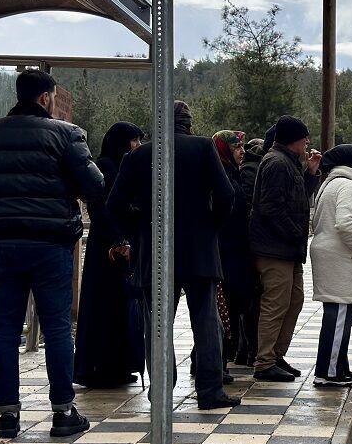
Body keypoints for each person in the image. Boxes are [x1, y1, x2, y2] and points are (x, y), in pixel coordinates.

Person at [0, 70, 105, 440]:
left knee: (4, 328)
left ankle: (7, 417)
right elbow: (95, 185)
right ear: (44, 98)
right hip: (50, 243)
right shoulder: (66, 134)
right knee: (56, 327)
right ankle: (63, 413)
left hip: (1, 244)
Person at [110, 101, 239, 410]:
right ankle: (210, 391)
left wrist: (139, 230)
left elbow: (114, 205)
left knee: (157, 326)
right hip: (198, 251)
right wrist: (211, 227)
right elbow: (226, 194)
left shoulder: (139, 155)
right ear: (188, 123)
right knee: (206, 322)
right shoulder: (203, 148)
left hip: (153, 252)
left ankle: (162, 392)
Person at [250, 116, 322, 382]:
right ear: (294, 139)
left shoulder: (288, 163)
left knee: (294, 300)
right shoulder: (277, 163)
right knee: (275, 304)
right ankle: (265, 361)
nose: (307, 143)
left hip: (287, 249)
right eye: (305, 138)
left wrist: (311, 173)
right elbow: (271, 208)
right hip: (274, 249)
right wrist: (295, 233)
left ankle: (276, 355)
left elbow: (297, 196)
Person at [74, 122, 145, 389]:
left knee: (119, 307)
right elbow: (102, 208)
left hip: (116, 245)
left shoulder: (120, 166)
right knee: (105, 307)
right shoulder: (106, 166)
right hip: (108, 247)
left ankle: (117, 365)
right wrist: (119, 239)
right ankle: (100, 367)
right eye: (134, 140)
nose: (136, 146)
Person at [309, 144, 352, 385]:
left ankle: (339, 366)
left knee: (342, 317)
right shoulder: (347, 185)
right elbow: (345, 223)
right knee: (338, 317)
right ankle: (329, 373)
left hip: (336, 258)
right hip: (341, 259)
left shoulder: (334, 183)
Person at [213, 130, 260, 369]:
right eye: (236, 147)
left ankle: (219, 362)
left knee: (232, 307)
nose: (242, 152)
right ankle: (212, 362)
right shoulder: (218, 175)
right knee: (224, 310)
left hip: (236, 251)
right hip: (225, 252)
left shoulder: (232, 172)